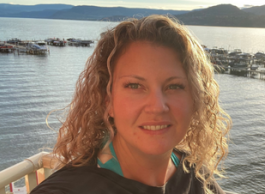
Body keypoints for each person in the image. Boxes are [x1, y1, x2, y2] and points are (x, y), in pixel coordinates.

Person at [31, 15, 231, 194]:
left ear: (195, 98)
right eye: (135, 85)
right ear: (107, 100)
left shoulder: (194, 175)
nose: (157, 106)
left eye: (174, 86)